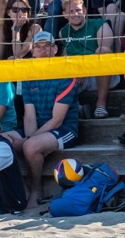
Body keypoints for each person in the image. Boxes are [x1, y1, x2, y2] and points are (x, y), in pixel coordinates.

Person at [19, 31, 80, 209]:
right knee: (3, 141)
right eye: (38, 47)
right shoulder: (29, 75)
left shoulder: (66, 73)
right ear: (32, 51)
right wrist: (29, 137)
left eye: (47, 46)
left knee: (30, 147)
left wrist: (29, 140)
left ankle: (36, 190)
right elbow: (29, 116)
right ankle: (20, 189)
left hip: (65, 129)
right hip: (39, 128)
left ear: (55, 49)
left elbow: (57, 120)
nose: (43, 50)